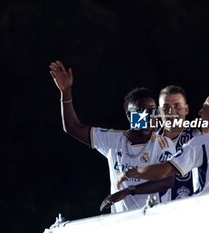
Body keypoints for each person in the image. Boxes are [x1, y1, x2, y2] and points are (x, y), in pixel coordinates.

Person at [49, 60, 176, 213]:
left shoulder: (164, 144)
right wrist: (65, 92)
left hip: (154, 221)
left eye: (152, 110)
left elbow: (168, 180)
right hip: (121, 223)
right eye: (142, 111)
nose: (149, 116)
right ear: (129, 115)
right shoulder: (114, 139)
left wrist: (129, 190)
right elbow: (72, 127)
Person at [100, 91, 209, 210]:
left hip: (208, 216)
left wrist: (130, 174)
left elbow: (164, 172)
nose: (200, 112)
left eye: (205, 108)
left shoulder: (200, 143)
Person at [157, 85, 201, 199]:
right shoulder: (148, 141)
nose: (171, 111)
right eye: (166, 107)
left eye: (177, 106)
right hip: (155, 213)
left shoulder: (199, 139)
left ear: (186, 109)